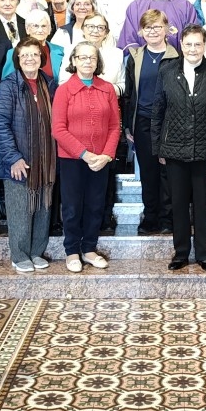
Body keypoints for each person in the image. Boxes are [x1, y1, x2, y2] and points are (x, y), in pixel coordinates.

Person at [150, 25, 206, 271]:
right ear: (181, 45)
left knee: (202, 205)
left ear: (205, 46)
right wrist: (159, 149)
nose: (193, 49)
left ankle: (204, 254)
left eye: (198, 44)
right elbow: (157, 112)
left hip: (205, 152)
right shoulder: (167, 71)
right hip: (174, 151)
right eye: (188, 44)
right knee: (178, 204)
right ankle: (181, 252)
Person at [52, 42, 121, 272]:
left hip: (100, 160)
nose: (87, 62)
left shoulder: (107, 89)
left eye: (92, 58)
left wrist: (106, 155)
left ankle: (89, 249)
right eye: (82, 57)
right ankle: (72, 251)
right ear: (73, 61)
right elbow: (58, 129)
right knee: (72, 207)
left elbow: (114, 126)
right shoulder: (64, 90)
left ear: (97, 61)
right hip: (73, 160)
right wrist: (84, 154)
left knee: (95, 205)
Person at [0, 38, 59, 273]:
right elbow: (0, 125)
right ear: (18, 60)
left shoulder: (49, 84)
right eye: (25, 55)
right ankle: (19, 254)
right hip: (18, 160)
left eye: (34, 54)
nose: (30, 59)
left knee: (43, 205)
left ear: (42, 58)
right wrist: (13, 157)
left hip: (45, 159)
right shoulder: (8, 86)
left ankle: (36, 251)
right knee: (20, 209)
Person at [123, 9, 180, 236]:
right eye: (148, 27)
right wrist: (128, 125)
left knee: (168, 172)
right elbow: (129, 94)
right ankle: (150, 217)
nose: (153, 31)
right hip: (143, 121)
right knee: (148, 172)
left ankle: (168, 218)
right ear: (141, 31)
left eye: (157, 26)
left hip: (171, 122)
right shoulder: (135, 57)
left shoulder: (178, 56)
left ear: (166, 29)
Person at [61, 12, 124, 95]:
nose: (95, 31)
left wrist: (103, 91)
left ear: (106, 33)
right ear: (83, 30)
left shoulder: (117, 54)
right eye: (91, 27)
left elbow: (123, 85)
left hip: (108, 100)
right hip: (77, 101)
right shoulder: (71, 50)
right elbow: (63, 82)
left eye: (100, 27)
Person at [3, 9, 66, 80]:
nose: (40, 30)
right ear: (27, 29)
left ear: (49, 30)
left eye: (44, 26)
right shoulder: (14, 52)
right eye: (35, 26)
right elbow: (7, 81)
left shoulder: (60, 51)